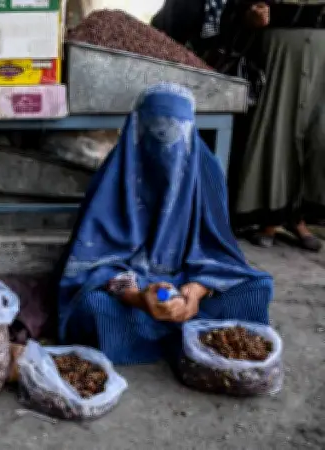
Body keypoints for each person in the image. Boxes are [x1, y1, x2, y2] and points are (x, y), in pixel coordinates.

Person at [55, 83, 273, 365]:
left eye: (176, 131)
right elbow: (90, 264)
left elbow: (218, 251)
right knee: (92, 306)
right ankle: (183, 336)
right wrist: (137, 296)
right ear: (137, 129)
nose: (166, 142)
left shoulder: (207, 174)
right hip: (130, 288)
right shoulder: (114, 178)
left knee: (256, 288)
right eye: (156, 130)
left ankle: (174, 328)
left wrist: (194, 293)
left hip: (187, 280)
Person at [224, 1, 325, 250]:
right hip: (276, 54)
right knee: (276, 132)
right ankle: (269, 218)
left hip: (321, 58)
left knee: (316, 136)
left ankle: (296, 217)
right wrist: (250, 17)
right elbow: (234, 12)